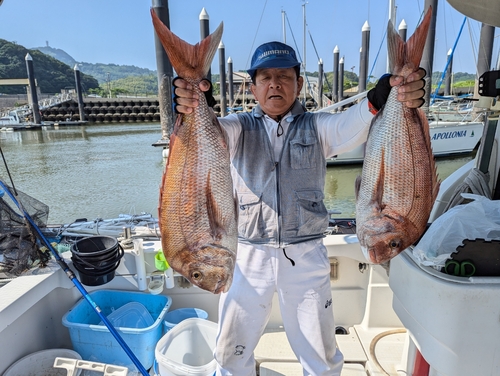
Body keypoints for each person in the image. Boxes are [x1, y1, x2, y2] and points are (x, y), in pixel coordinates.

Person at [173, 41, 426, 376]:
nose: (274, 84)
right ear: (253, 87)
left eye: (283, 76)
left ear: (299, 83)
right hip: (247, 257)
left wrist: (379, 98)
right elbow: (211, 136)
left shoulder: (318, 126)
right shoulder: (237, 128)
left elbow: (349, 124)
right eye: (265, 77)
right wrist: (195, 105)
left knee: (321, 357)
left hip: (306, 256)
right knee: (230, 353)